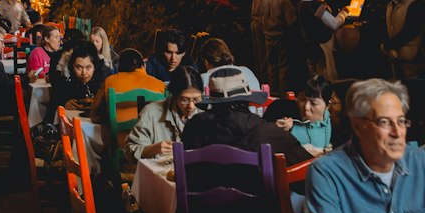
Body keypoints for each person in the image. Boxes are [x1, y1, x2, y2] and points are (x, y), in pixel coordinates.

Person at [305, 79, 425, 213]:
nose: (397, 132)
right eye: (385, 122)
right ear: (358, 126)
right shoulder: (326, 173)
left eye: (401, 121)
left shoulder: (424, 164)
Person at [182, 70, 310, 166]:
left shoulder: (193, 126)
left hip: (202, 201)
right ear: (246, 100)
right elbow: (305, 171)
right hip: (257, 202)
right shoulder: (267, 132)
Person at [125, 67, 204, 163]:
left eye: (196, 99)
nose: (191, 106)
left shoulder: (205, 113)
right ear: (174, 96)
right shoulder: (151, 113)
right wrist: (152, 149)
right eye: (184, 100)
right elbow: (129, 152)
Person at [96, 48, 166, 129]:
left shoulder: (109, 81)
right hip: (153, 140)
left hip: (120, 140)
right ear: (144, 66)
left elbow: (94, 113)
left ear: (119, 67)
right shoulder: (160, 85)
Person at [268, 76, 332, 156]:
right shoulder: (279, 110)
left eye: (314, 103)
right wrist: (276, 131)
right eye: (302, 99)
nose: (306, 107)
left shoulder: (334, 122)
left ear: (327, 106)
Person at [298, 0, 346, 82]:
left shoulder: (300, 4)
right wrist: (344, 13)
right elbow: (334, 24)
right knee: (326, 77)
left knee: (313, 79)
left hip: (307, 45)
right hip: (322, 46)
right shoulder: (317, 5)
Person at [383, 0, 425, 78]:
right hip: (394, 56)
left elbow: (411, 31)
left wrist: (389, 46)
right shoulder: (391, 4)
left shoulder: (416, 4)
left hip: (412, 58)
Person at [45, 44, 101, 125]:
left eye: (88, 67)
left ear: (94, 67)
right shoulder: (65, 85)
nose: (84, 73)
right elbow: (52, 111)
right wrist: (64, 103)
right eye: (79, 67)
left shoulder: (101, 84)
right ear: (72, 67)